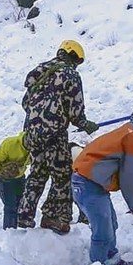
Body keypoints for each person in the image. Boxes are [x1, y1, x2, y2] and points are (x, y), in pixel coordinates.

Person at [71, 97, 133, 265]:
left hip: (89, 182)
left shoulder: (129, 130)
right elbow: (131, 176)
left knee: (110, 224)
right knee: (103, 231)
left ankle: (111, 260)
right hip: (88, 184)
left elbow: (127, 172)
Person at [17, 40, 98, 234]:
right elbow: (75, 110)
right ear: (73, 57)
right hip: (54, 134)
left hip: (32, 135)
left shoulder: (39, 73)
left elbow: (25, 103)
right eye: (77, 61)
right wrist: (85, 124)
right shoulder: (70, 74)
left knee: (37, 175)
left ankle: (24, 215)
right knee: (62, 176)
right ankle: (54, 217)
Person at [0, 132, 30, 229]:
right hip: (5, 180)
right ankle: (9, 231)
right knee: (10, 205)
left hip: (19, 178)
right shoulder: (10, 143)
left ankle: (21, 230)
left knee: (21, 203)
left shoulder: (37, 149)